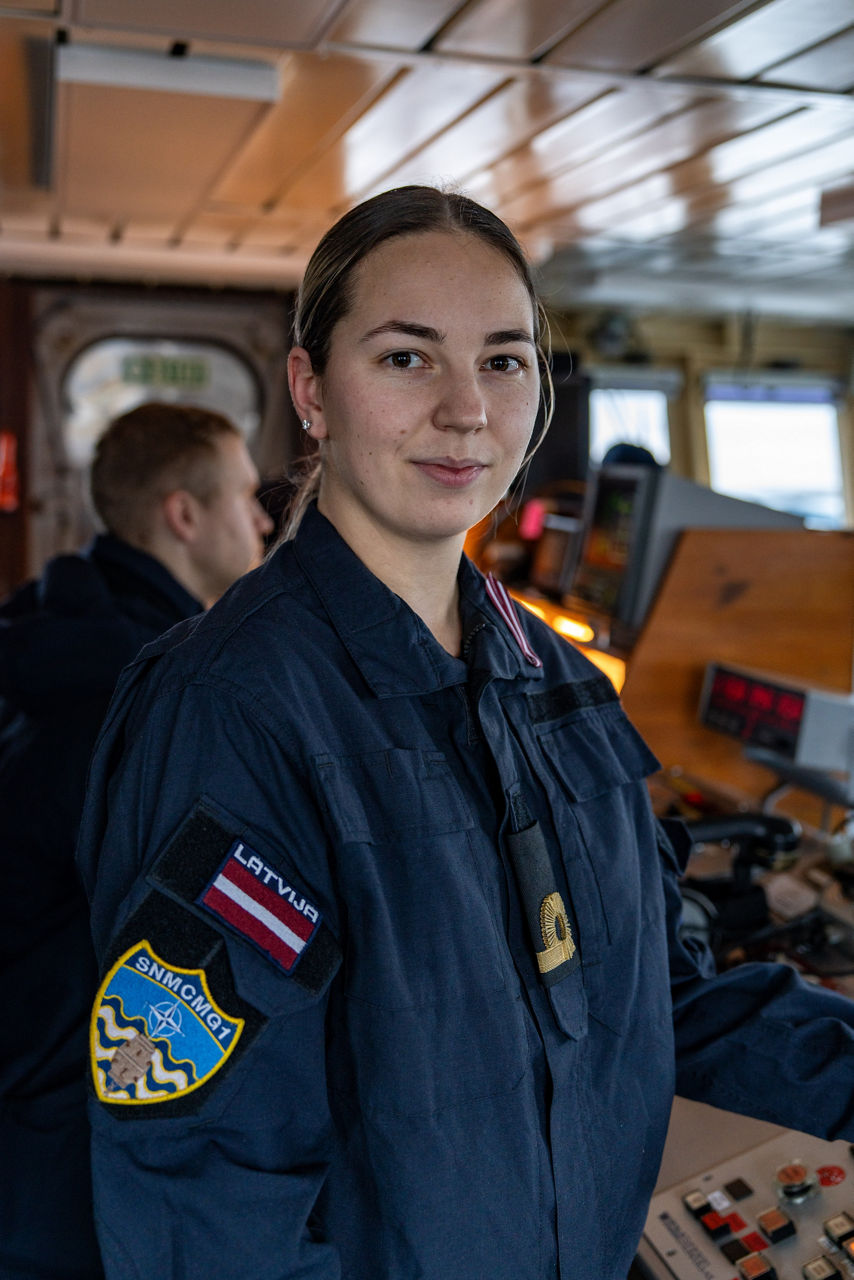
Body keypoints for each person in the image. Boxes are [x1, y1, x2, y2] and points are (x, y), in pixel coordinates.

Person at [76, 187, 854, 1280]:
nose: (463, 409)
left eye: (501, 360)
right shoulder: (232, 707)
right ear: (310, 389)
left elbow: (655, 997)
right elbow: (202, 1190)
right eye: (404, 358)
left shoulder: (560, 684)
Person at [0, 401, 272, 1279]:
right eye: (243, 494)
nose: (265, 518)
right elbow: (207, 939)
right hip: (55, 1152)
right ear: (184, 516)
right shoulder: (148, 696)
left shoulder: (61, 620)